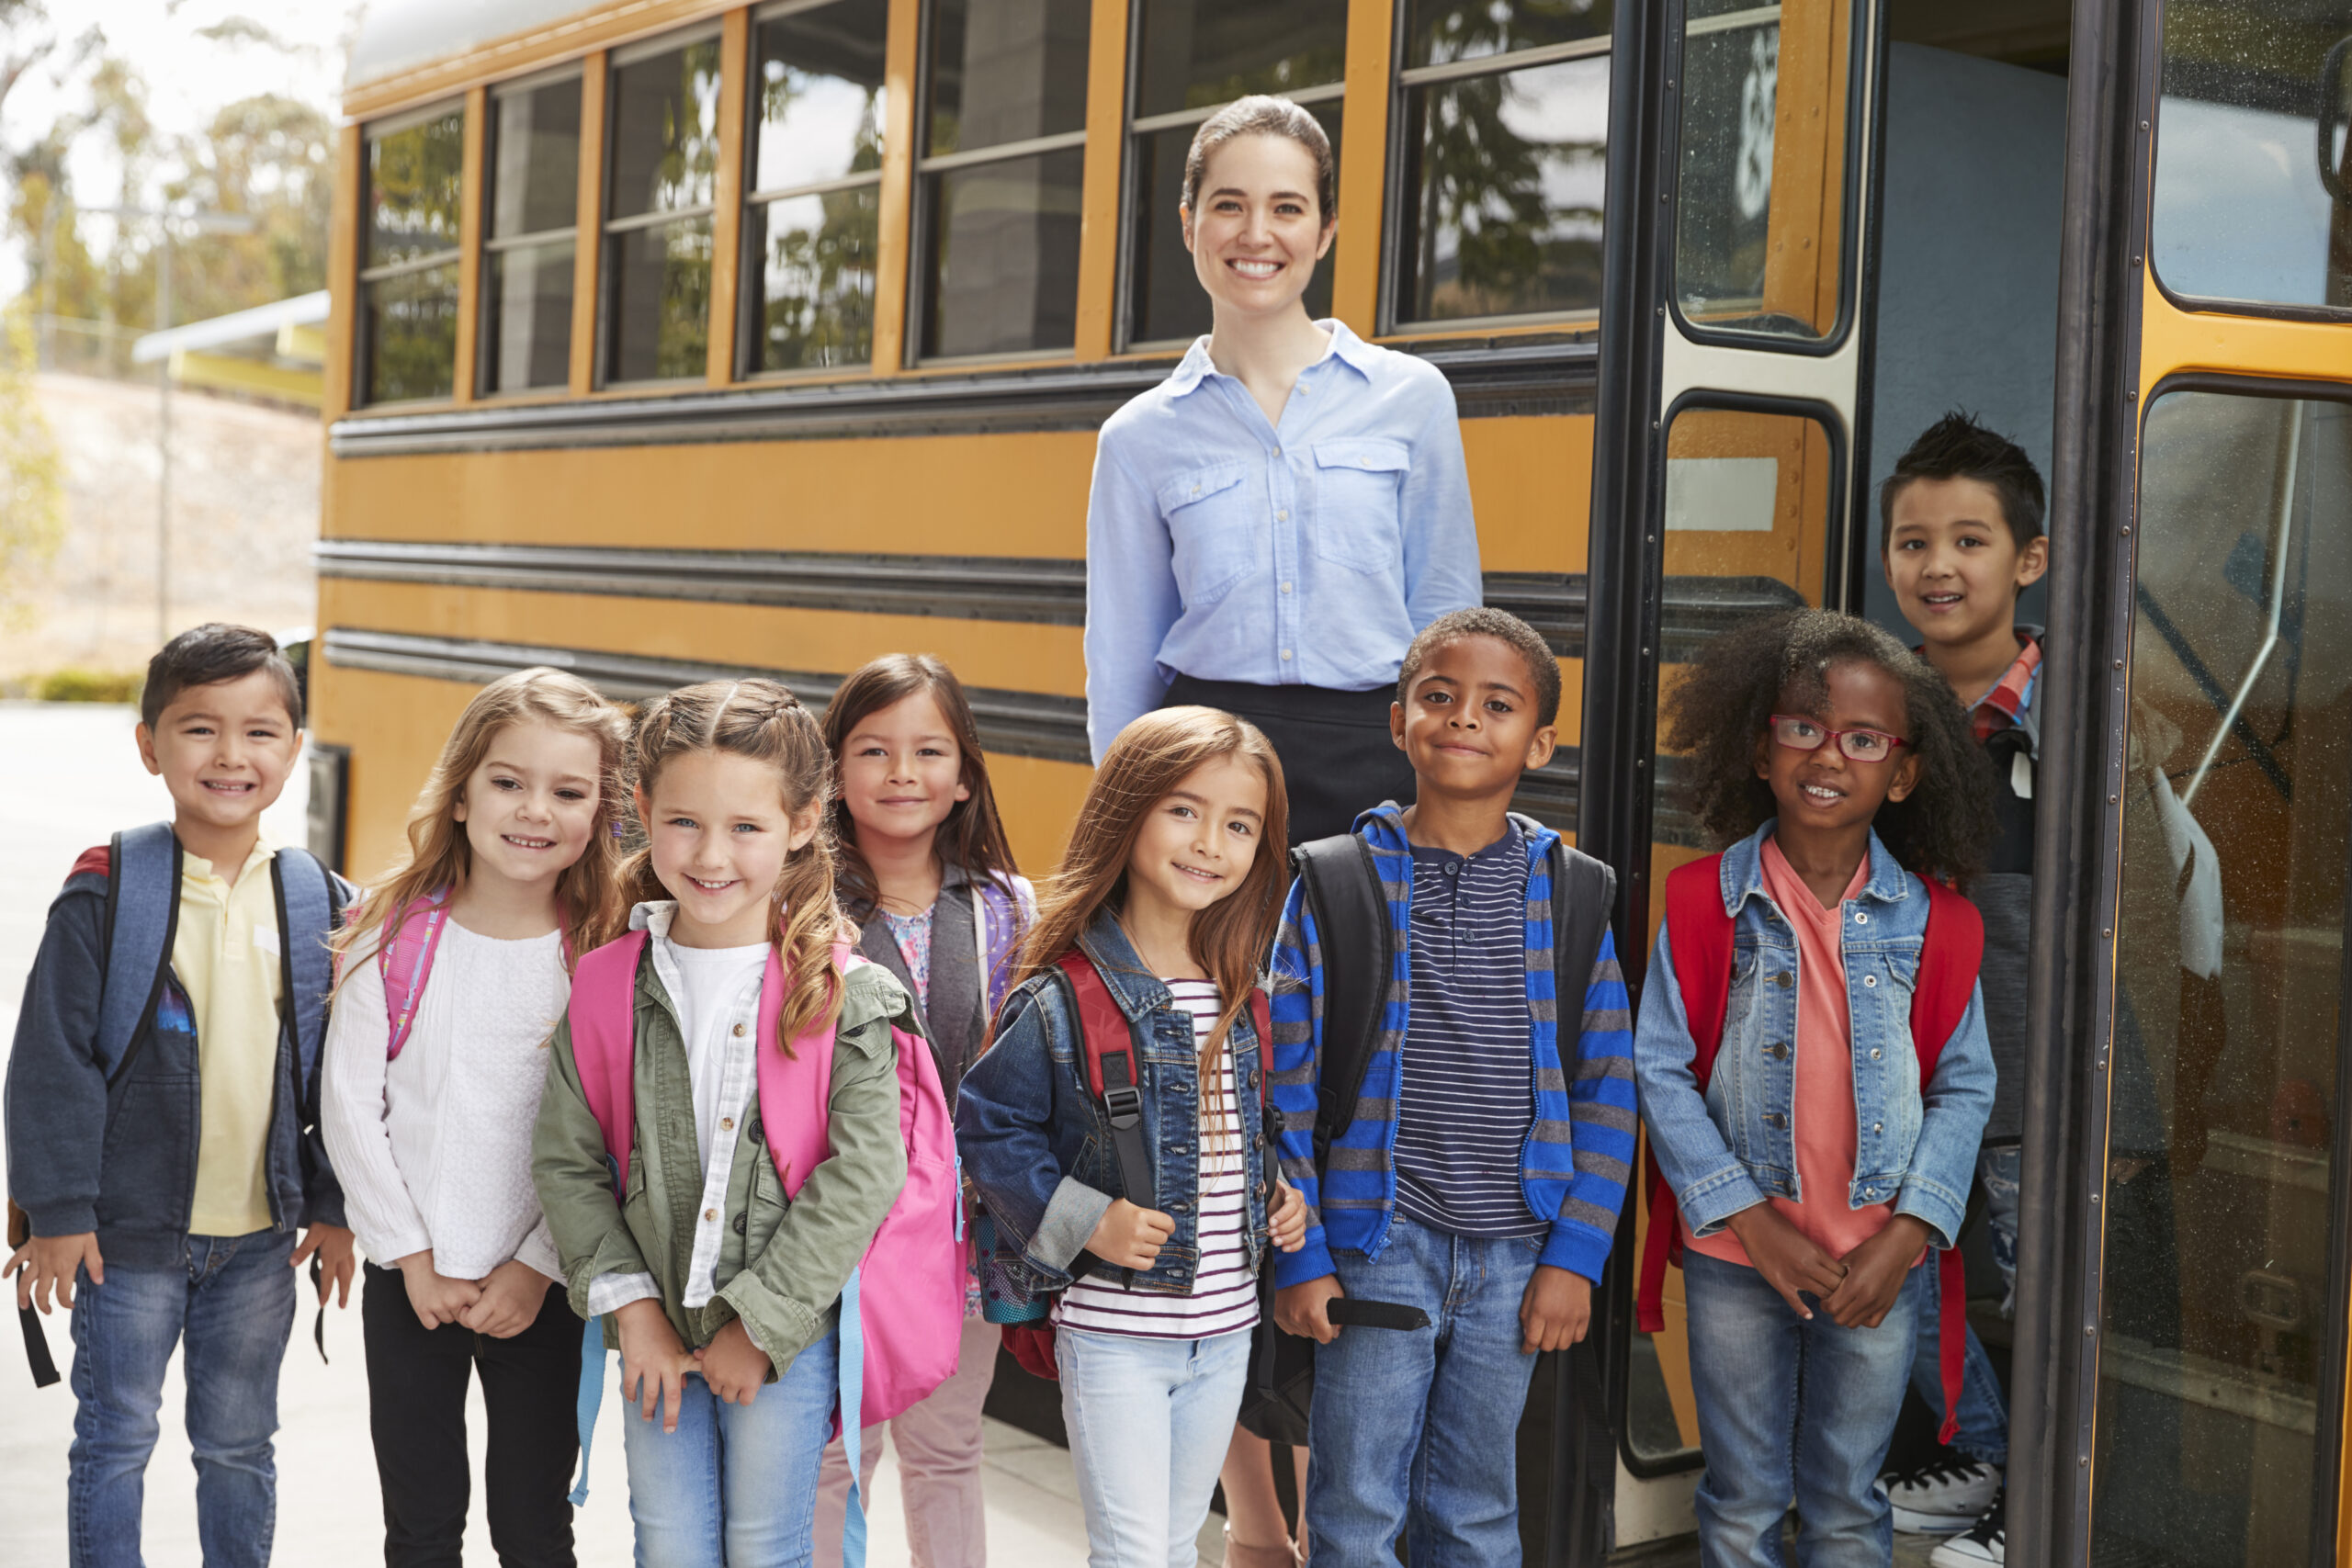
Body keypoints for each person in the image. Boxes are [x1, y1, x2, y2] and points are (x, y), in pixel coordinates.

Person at [1269, 606, 1635, 1568]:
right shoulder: (1333, 880)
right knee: (1355, 1511)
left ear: (1540, 741)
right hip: (1374, 1248)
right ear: (1398, 722)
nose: (1463, 718)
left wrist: (1575, 1258)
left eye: (1496, 704)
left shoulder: (1572, 890)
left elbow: (1607, 1090)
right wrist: (1302, 1257)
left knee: (1475, 1514)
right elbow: (1285, 1088)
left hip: (1517, 1255)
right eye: (1438, 697)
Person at [1632, 609, 1997, 1568]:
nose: (1827, 755)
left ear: (1903, 770)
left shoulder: (1939, 926)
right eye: (1802, 727)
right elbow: (1659, 1069)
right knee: (1743, 1497)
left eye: (1863, 739)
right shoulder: (1704, 902)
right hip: (1737, 1261)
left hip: (1878, 1262)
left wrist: (1909, 1234)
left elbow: (1964, 1088)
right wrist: (1751, 1220)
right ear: (1761, 748)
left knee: (1845, 1501)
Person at [531, 680, 911, 1568]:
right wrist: (635, 1313)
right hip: (652, 1321)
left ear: (806, 819)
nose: (711, 854)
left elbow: (863, 1173)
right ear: (641, 811)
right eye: (685, 822)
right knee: (666, 1545)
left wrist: (760, 1324)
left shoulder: (841, 989)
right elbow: (568, 1158)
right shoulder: (603, 984)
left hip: (782, 1337)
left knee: (767, 1547)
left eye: (746, 827)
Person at [4, 623, 358, 1568]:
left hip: (258, 1248)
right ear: (150, 744)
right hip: (123, 1244)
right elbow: (51, 1059)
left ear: (294, 746)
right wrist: (58, 1210)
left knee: (240, 1447)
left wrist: (329, 1207)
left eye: (261, 731)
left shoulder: (321, 902)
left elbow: (341, 1076)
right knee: (116, 1441)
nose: (231, 755)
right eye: (200, 729)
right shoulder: (107, 891)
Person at [955, 706, 1310, 1568]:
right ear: (1128, 811)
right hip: (1115, 1335)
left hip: (1224, 1330)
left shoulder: (1243, 992)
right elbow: (989, 1128)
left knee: (1175, 1545)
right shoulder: (1063, 995)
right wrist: (1086, 1220)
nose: (1209, 843)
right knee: (1132, 1556)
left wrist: (1276, 1200)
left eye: (1239, 824)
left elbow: (1239, 1135)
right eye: (1184, 810)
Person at [1082, 93, 1482, 848]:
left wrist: (1455, 796)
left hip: (1381, 767)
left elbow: (1448, 628)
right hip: (1201, 774)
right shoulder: (1138, 438)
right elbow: (1121, 667)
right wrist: (1124, 828)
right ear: (1189, 222)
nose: (1256, 234)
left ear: (1325, 230)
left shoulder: (1412, 399)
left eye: (1288, 208)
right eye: (1229, 204)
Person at [321, 667, 633, 1568]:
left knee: (533, 1524)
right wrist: (411, 1258)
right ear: (460, 794)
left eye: (567, 791)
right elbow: (350, 1107)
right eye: (508, 781)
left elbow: (612, 1131)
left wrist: (536, 1267)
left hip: (544, 1283)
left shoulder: (605, 956)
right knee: (421, 1526)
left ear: (598, 815)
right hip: (408, 1278)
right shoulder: (391, 935)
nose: (534, 809)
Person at [812, 655, 1035, 1568]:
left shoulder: (1007, 907)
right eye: (873, 750)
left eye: (928, 751)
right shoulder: (798, 905)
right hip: (834, 1232)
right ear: (831, 773)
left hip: (963, 1235)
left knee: (946, 1451)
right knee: (831, 1455)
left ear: (964, 777)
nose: (902, 772)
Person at [1877, 412, 2049, 1562]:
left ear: (2027, 560)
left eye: (1969, 541)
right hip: (1901, 1050)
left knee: (2028, 1277)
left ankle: (2029, 1501)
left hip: (2029, 1051)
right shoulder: (1879, 712)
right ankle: (1975, 1453)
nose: (1936, 567)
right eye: (1911, 542)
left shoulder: (2083, 709)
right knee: (1911, 1267)